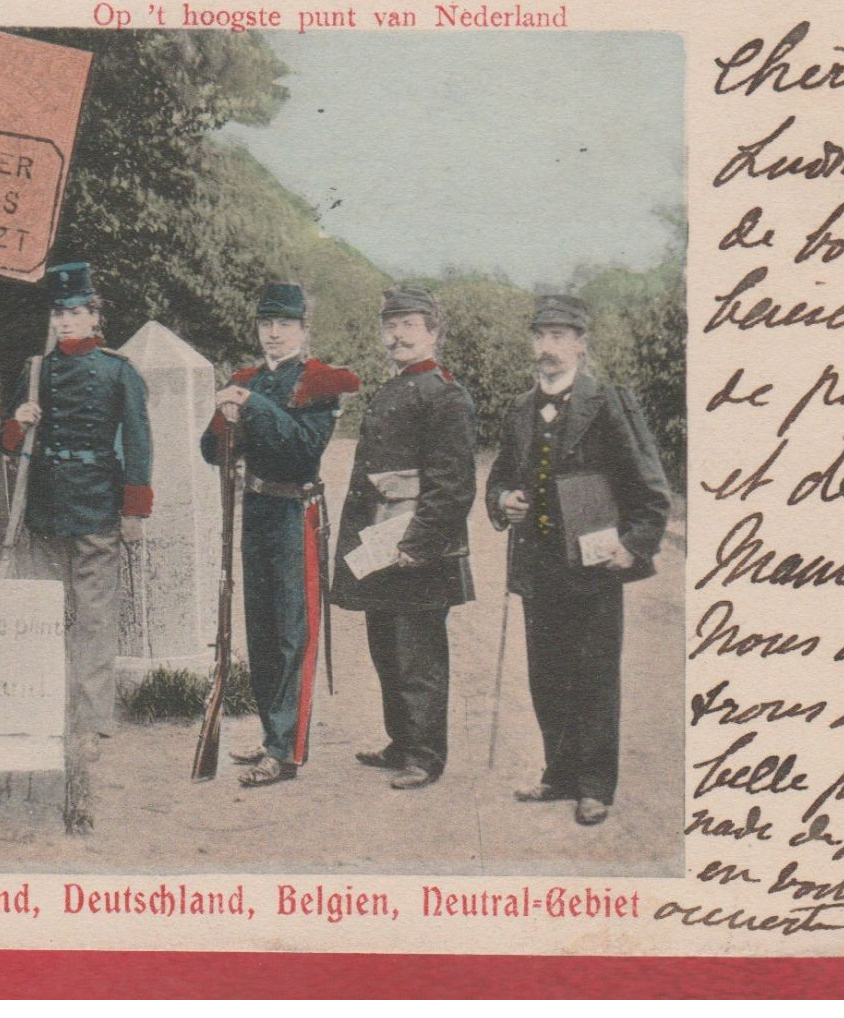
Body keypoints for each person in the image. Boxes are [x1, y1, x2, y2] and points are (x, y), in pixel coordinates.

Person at [484, 294, 671, 826]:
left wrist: (633, 545)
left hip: (592, 568)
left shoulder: (608, 403)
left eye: (559, 337)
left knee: (593, 675)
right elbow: (499, 476)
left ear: (581, 345)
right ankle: (558, 775)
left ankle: (594, 785)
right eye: (540, 337)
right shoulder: (521, 410)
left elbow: (651, 489)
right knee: (547, 675)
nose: (547, 348)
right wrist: (503, 499)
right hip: (538, 567)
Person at [199, 282, 360, 787]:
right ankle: (273, 734)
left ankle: (287, 750)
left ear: (303, 330)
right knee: (261, 630)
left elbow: (302, 450)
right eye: (266, 324)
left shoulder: (321, 381)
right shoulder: (245, 378)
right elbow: (211, 450)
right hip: (258, 507)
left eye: (284, 324)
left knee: (293, 631)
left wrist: (253, 408)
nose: (273, 333)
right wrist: (226, 420)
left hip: (296, 512)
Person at [1, 262, 153, 750]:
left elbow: (139, 444)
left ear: (93, 316)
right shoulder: (35, 371)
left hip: (97, 503)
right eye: (57, 313)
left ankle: (90, 722)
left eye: (74, 312)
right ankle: (43, 707)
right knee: (44, 611)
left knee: (93, 616)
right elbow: (3, 444)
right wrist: (19, 421)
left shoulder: (118, 371)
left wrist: (134, 512)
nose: (64, 322)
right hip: (45, 504)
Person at [331, 285, 476, 790]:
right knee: (387, 649)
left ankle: (426, 755)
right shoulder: (393, 388)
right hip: (380, 544)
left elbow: (452, 485)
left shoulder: (445, 394)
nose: (397, 336)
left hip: (416, 551)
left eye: (409, 326)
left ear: (433, 333)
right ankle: (401, 742)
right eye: (390, 326)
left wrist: (418, 543)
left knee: (420, 655)